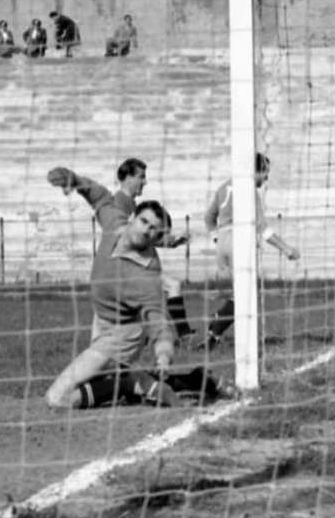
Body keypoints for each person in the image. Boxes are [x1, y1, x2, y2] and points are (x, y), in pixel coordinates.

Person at [45, 198, 178, 409]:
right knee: (96, 378)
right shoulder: (116, 226)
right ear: (132, 218)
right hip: (102, 320)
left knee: (57, 398)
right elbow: (101, 198)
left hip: (121, 336)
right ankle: (139, 381)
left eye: (153, 229)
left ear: (156, 238)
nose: (146, 230)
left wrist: (163, 354)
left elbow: (158, 321)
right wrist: (78, 183)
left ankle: (126, 383)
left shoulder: (146, 274)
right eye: (143, 221)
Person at [48, 158, 194, 339]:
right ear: (127, 178)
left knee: (121, 323)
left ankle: (169, 336)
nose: (145, 182)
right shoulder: (120, 202)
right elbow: (127, 235)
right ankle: (180, 334)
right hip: (121, 269)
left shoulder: (131, 204)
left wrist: (171, 242)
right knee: (169, 288)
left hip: (123, 270)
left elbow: (139, 237)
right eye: (141, 177)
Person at [202, 152, 300, 348]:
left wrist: (216, 238)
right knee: (246, 295)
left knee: (238, 294)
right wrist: (286, 249)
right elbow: (263, 228)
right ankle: (218, 323)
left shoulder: (223, 187)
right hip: (238, 242)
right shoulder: (248, 191)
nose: (266, 178)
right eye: (265, 173)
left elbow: (208, 218)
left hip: (222, 244)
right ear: (254, 171)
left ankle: (216, 333)